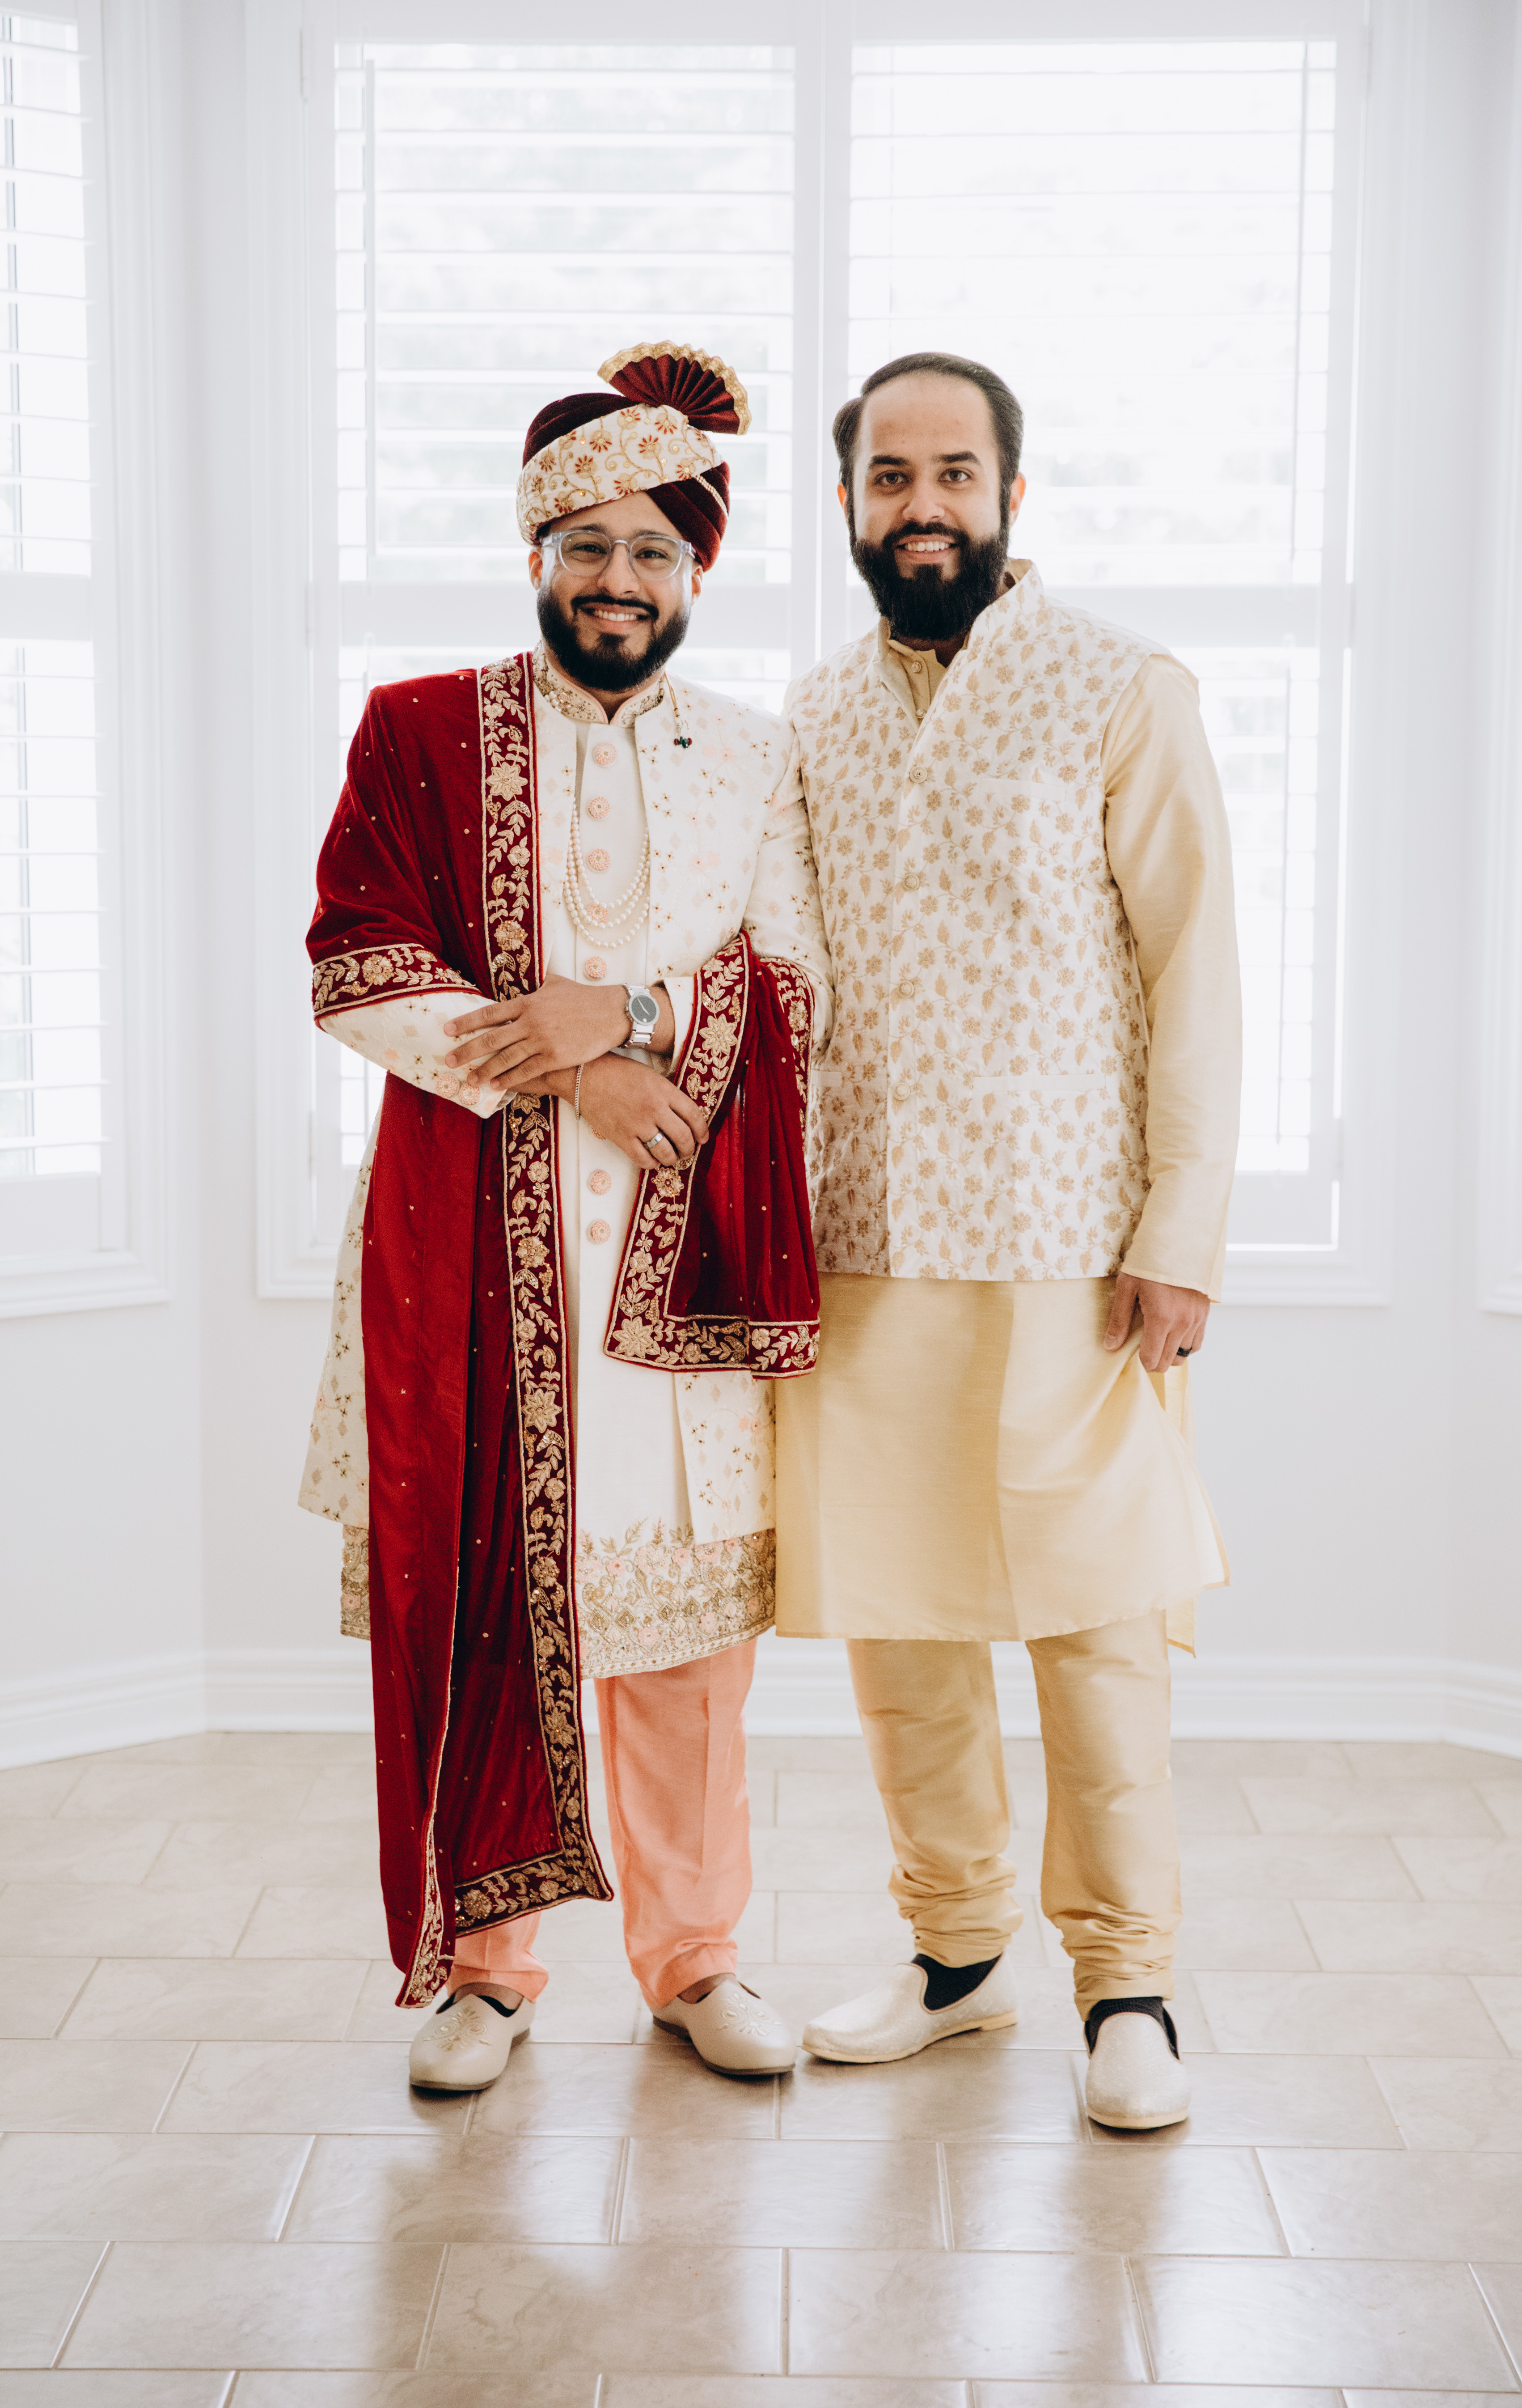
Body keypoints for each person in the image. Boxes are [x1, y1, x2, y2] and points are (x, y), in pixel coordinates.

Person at [300, 342, 831, 2093]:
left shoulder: (755, 758)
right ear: (536, 554)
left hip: (683, 1259)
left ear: (697, 574)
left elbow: (798, 984)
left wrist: (638, 1018)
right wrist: (565, 1072)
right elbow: (357, 963)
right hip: (472, 1244)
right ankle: (487, 1967)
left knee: (685, 1645)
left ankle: (697, 1958)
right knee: (488, 1610)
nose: (619, 579)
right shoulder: (419, 731)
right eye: (587, 546)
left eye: (653, 551)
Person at [775, 351, 1241, 2130]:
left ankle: (1129, 1983)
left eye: (954, 473)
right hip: (864, 1236)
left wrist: (1181, 1227)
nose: (923, 505)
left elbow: (1197, 970)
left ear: (1011, 495)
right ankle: (957, 1959)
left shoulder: (1122, 687)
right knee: (901, 1627)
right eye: (890, 476)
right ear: (848, 505)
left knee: (1094, 1621)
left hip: (1073, 1249)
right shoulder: (814, 715)